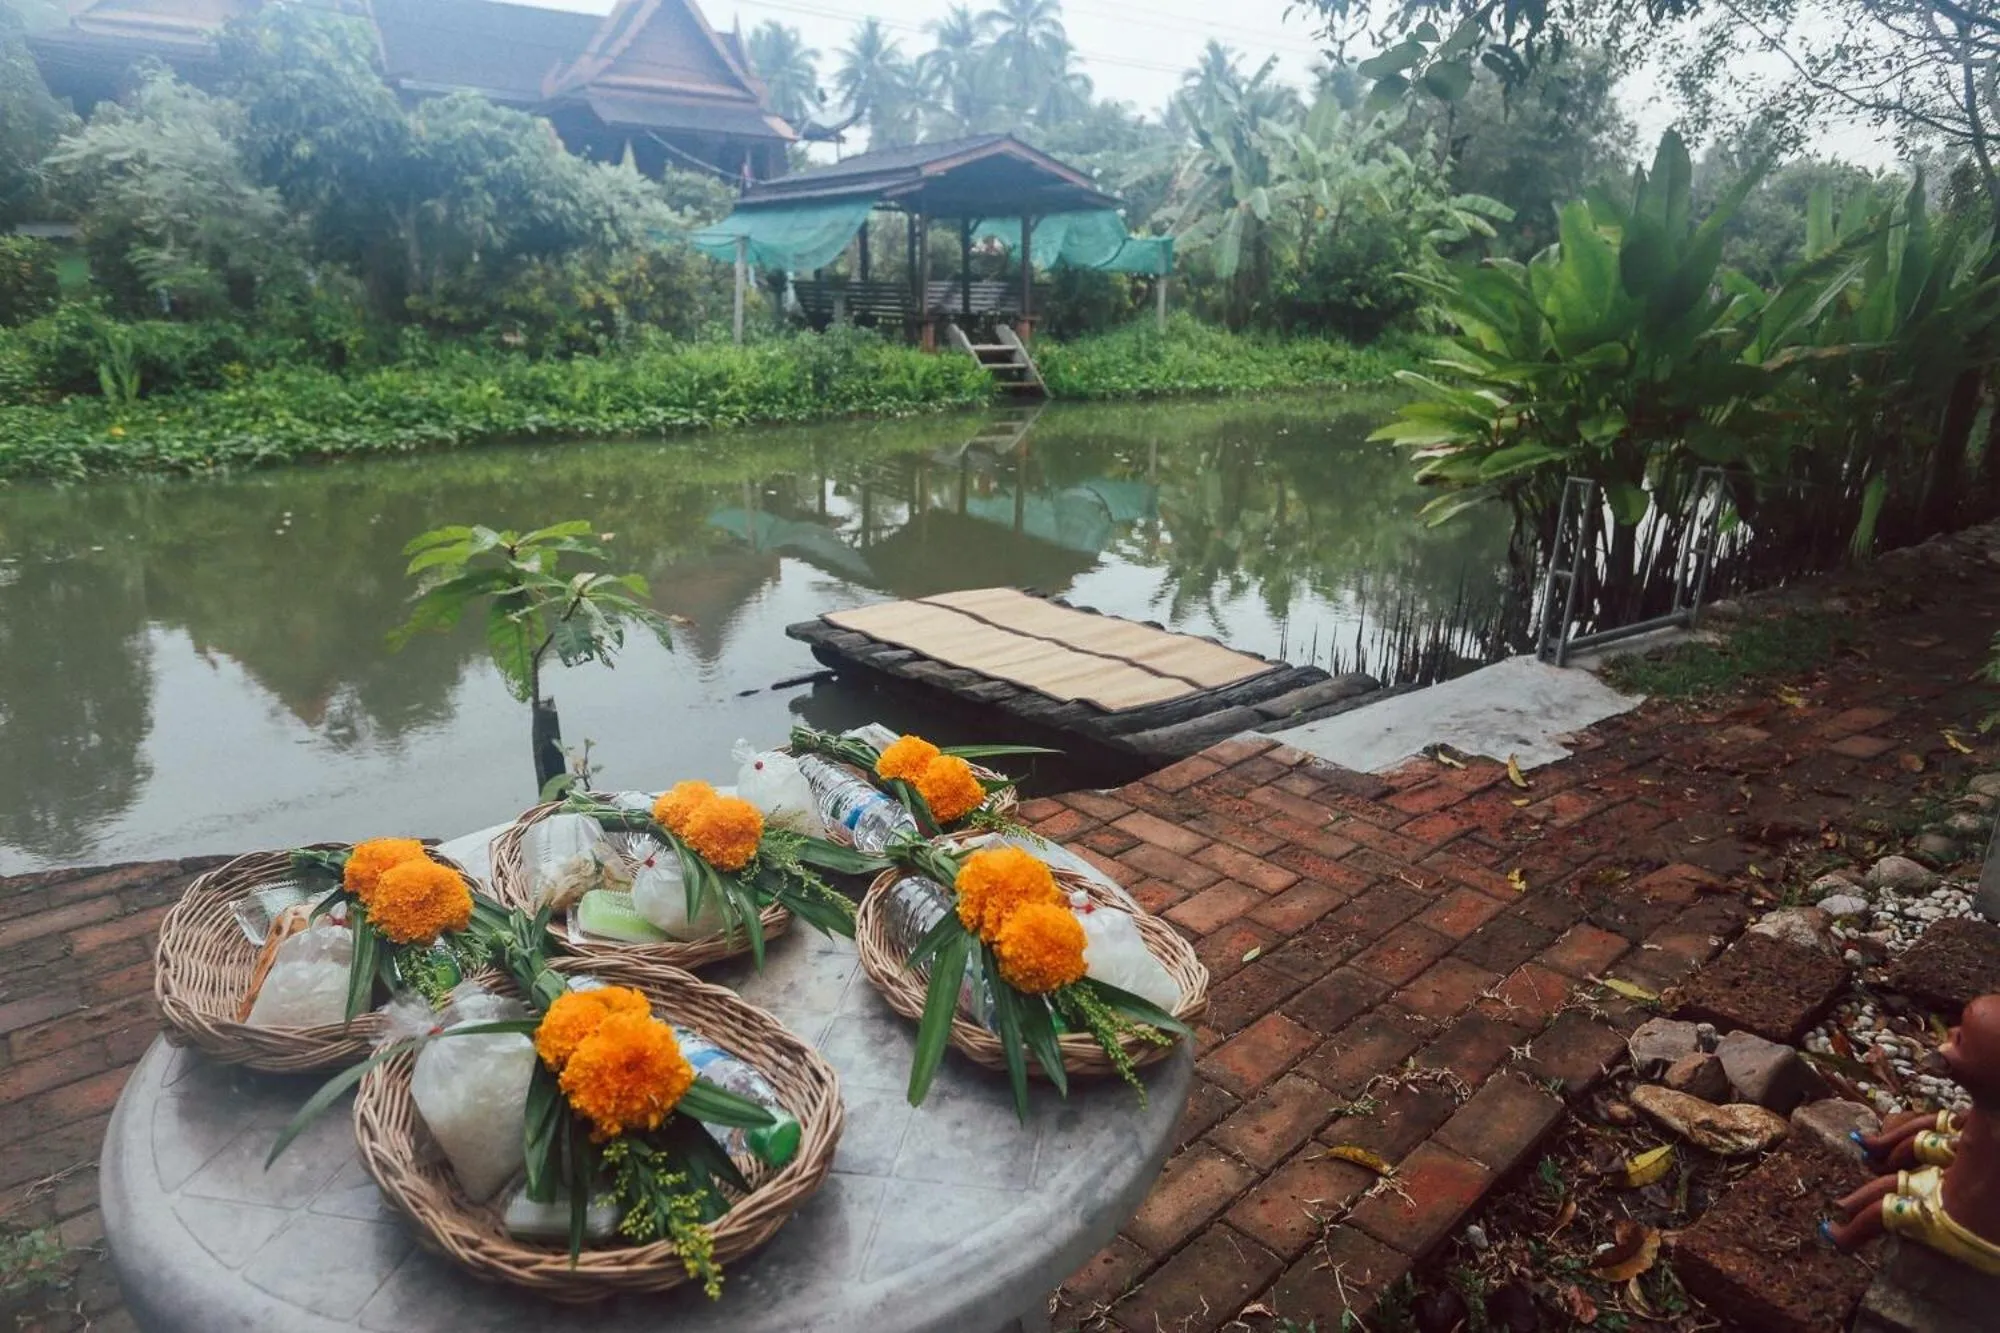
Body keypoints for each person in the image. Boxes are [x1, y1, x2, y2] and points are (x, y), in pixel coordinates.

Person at [1822, 993, 2000, 1275]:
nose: (1950, 1033)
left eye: (1961, 1042)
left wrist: (1956, 1168)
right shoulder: (1989, 1109)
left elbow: (1981, 1186)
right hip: (1951, 1177)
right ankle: (1868, 1169)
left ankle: (1844, 1238)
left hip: (1957, 1220)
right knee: (1907, 1159)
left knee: (1885, 1209)